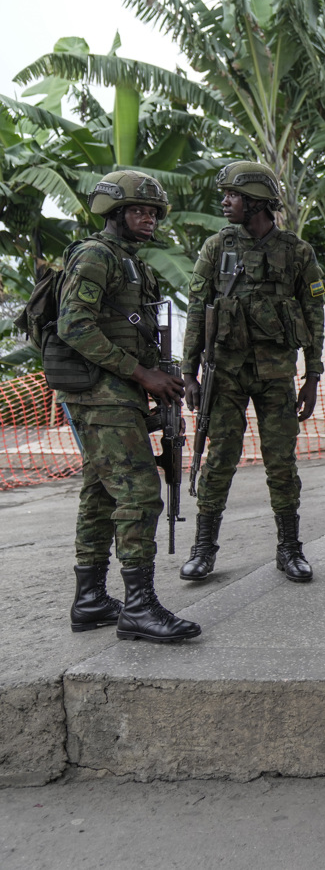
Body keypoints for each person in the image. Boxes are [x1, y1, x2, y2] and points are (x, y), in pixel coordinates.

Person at [57, 170, 199, 642]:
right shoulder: (97, 255)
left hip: (118, 391)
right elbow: (73, 326)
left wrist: (163, 373)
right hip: (101, 392)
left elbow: (141, 329)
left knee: (101, 494)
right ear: (114, 213)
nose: (149, 220)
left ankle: (91, 599)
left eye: (154, 213)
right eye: (139, 211)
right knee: (139, 493)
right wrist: (142, 375)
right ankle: (139, 607)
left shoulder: (134, 263)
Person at [178, 161, 325, 584]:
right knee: (219, 459)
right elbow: (196, 309)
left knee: (282, 463)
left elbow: (314, 315)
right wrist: (189, 370)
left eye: (233, 195)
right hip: (224, 373)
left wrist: (312, 376)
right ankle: (203, 549)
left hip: (277, 373)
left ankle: (289, 549)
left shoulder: (298, 251)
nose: (225, 201)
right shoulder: (216, 247)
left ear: (257, 201)